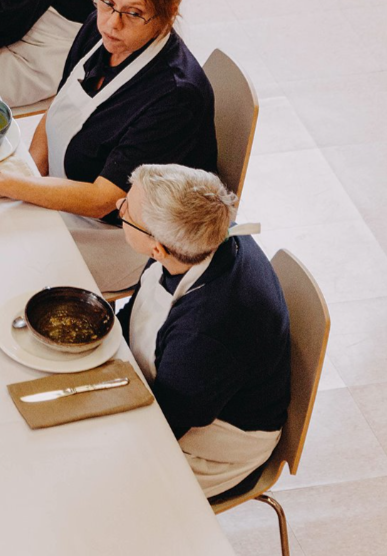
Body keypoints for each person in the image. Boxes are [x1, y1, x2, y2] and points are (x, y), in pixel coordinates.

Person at [0, 0, 217, 292]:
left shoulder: (176, 96)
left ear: (168, 14)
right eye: (107, 2)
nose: (113, 23)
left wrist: (1, 182)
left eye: (134, 13)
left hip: (120, 239)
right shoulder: (99, 28)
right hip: (62, 192)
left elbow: (101, 201)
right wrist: (30, 180)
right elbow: (57, 109)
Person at [116, 164, 289, 497]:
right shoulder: (197, 236)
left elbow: (166, 425)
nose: (118, 207)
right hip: (185, 393)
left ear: (158, 249)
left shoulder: (208, 330)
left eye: (126, 211)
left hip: (212, 446)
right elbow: (133, 316)